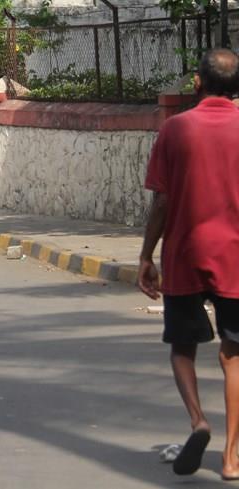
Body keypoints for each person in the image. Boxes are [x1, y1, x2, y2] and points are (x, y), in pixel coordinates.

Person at [138, 48, 239, 479]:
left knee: (182, 348)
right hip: (235, 259)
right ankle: (231, 460)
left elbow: (161, 201)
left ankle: (198, 421)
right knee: (234, 355)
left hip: (184, 253)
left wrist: (146, 254)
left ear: (197, 82)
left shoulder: (175, 129)